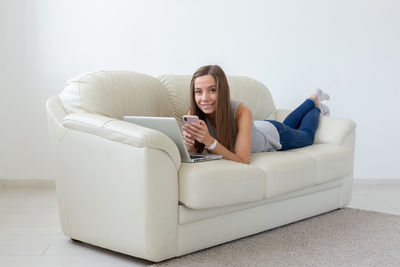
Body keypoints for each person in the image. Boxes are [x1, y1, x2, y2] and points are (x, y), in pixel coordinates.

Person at [182, 65, 330, 164]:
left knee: (307, 136)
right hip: (259, 127)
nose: (204, 98)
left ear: (223, 91)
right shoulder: (194, 113)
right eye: (198, 91)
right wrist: (189, 143)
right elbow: (195, 153)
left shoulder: (241, 111)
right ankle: (313, 98)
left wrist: (209, 141)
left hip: (274, 135)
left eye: (212, 90)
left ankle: (316, 106)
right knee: (287, 124)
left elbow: (242, 160)